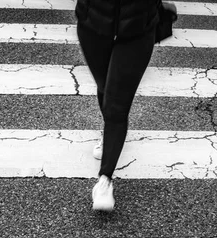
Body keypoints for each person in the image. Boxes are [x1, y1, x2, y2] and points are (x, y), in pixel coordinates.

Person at [75, 0, 176, 212]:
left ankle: (105, 180)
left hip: (138, 28)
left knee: (116, 106)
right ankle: (107, 136)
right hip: (93, 23)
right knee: (104, 86)